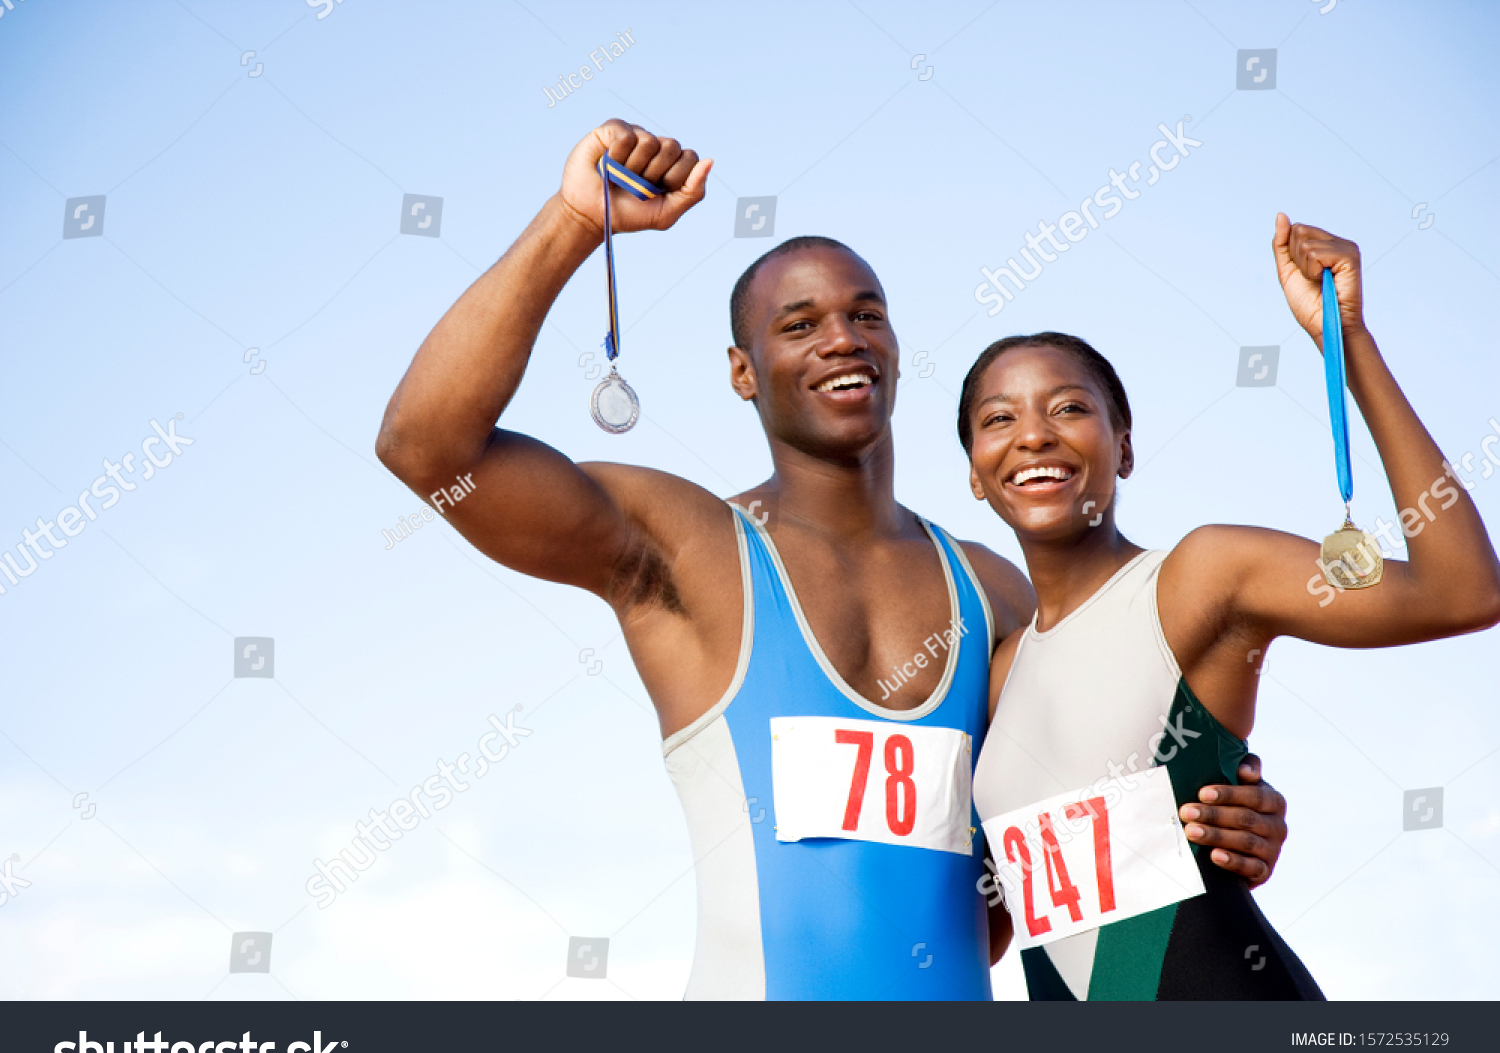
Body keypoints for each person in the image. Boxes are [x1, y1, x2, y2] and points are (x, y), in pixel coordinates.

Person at [375, 119, 1288, 999]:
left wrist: (1223, 822)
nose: (842, 339)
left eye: (865, 315)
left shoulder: (995, 594)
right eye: (801, 324)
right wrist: (574, 223)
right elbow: (427, 447)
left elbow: (1025, 876)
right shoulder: (686, 550)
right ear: (743, 371)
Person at [962, 216, 1500, 999]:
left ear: (1126, 445)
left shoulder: (1199, 576)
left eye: (1069, 408)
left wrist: (1349, 346)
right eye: (998, 419)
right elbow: (989, 919)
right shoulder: (998, 668)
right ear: (975, 473)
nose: (1033, 436)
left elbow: (1465, 591)